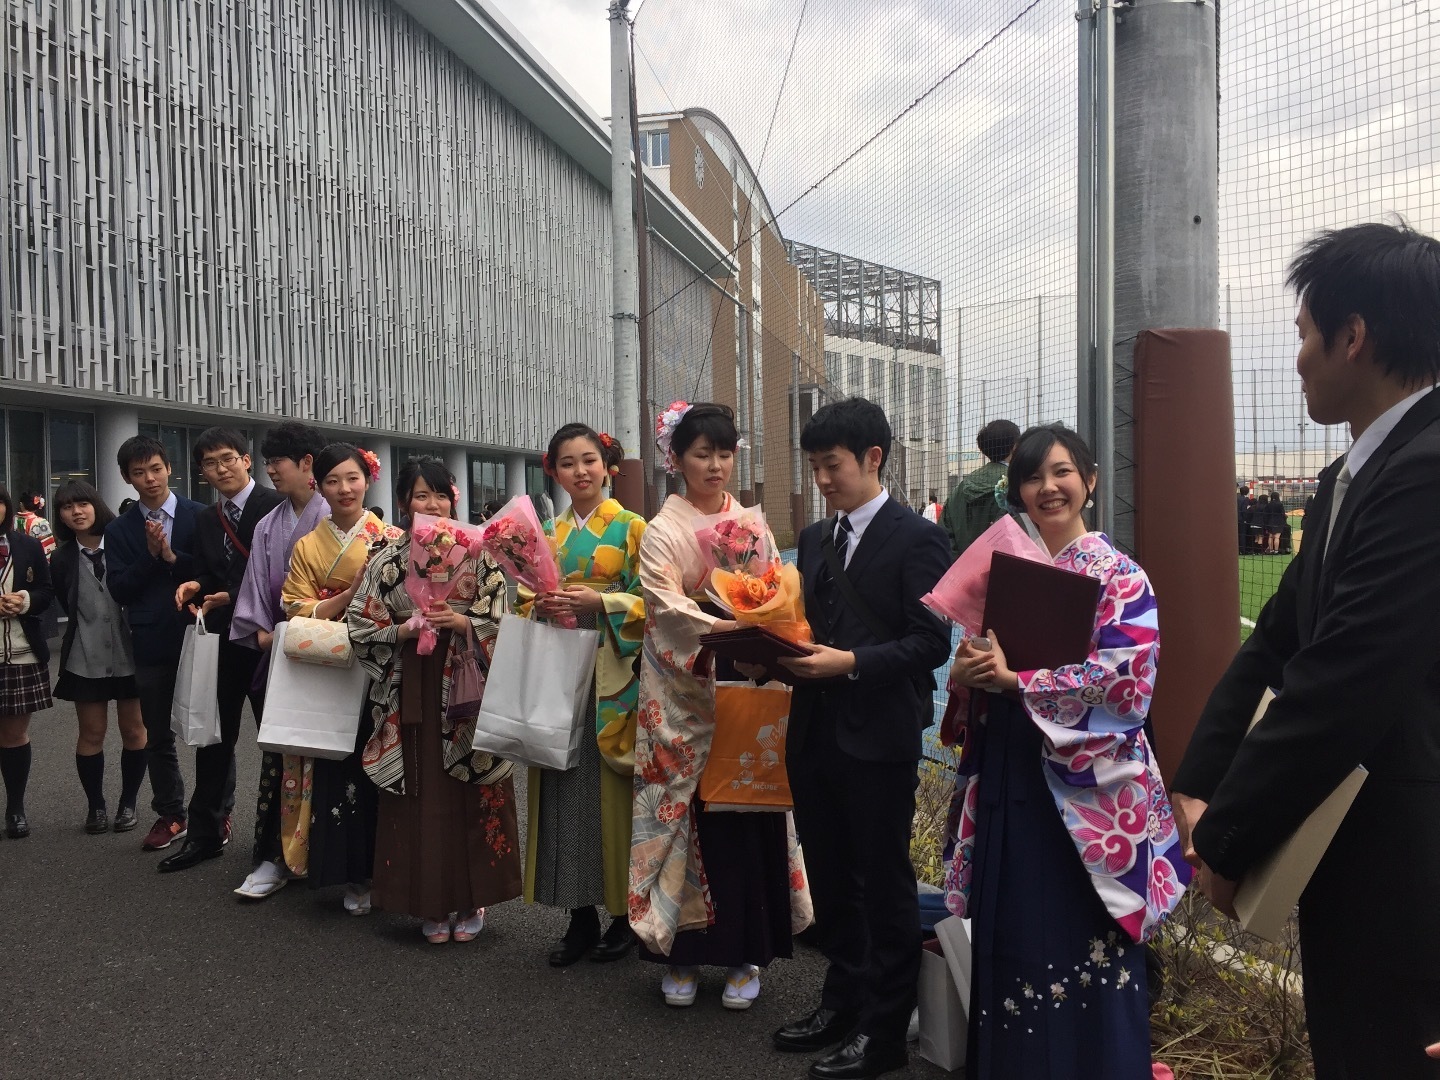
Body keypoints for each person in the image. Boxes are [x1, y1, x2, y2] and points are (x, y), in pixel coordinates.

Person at [1173, 223, 1440, 1080]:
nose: (1296, 358)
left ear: (1352, 337)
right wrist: (1200, 779)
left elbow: (1345, 680)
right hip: (1359, 862)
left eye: (1301, 333)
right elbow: (1281, 643)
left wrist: (1231, 832)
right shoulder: (1348, 478)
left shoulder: (1427, 471)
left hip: (1412, 876)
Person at [945, 424, 1189, 1080]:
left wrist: (1016, 682)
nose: (1046, 487)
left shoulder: (1120, 575)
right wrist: (970, 679)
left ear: (1090, 480)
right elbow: (984, 681)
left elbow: (1126, 682)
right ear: (1016, 491)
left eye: (1061, 472)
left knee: (1084, 943)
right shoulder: (1013, 572)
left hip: (1086, 798)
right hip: (1010, 779)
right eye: (1031, 476)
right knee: (1012, 939)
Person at [771, 398, 952, 1080]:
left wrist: (850, 663)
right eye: (814, 466)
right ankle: (840, 1003)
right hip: (814, 729)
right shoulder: (819, 539)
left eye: (832, 465)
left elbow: (930, 642)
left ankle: (881, 1036)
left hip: (879, 737)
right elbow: (808, 625)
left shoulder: (917, 538)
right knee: (831, 879)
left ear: (873, 458)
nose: (822, 479)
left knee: (884, 883)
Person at [629, 401, 810, 1011]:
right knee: (688, 817)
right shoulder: (662, 530)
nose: (715, 465)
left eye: (725, 453)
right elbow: (664, 607)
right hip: (683, 696)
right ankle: (679, 952)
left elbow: (777, 590)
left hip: (743, 683)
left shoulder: (750, 526)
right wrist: (732, 624)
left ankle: (745, 951)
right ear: (676, 460)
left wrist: (766, 622)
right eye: (702, 453)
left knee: (746, 809)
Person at [348, 457, 522, 943]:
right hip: (413, 683)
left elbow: (501, 617)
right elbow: (360, 623)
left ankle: (473, 897)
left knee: (470, 790)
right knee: (420, 791)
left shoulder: (478, 552)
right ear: (405, 503)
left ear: (453, 497)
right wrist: (404, 628)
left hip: (466, 682)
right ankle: (428, 899)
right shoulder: (388, 555)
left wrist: (464, 623)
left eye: (440, 494)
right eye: (420, 495)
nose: (432, 504)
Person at [518, 424, 645, 965]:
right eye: (567, 463)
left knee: (613, 793)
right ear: (555, 471)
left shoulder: (634, 527)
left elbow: (654, 601)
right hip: (558, 669)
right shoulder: (546, 532)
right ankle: (578, 913)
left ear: (608, 465)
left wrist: (606, 605)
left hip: (612, 673)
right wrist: (536, 607)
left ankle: (623, 915)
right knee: (563, 788)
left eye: (589, 460)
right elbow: (523, 594)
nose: (580, 471)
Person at [252, 444, 400, 910]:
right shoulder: (307, 545)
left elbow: (403, 599)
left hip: (378, 666)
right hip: (326, 659)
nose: (344, 489)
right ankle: (341, 871)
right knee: (329, 763)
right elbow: (294, 606)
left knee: (371, 763)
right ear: (320, 485)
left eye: (353, 478)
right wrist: (350, 596)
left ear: (368, 480)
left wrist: (359, 606)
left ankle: (378, 873)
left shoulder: (391, 536)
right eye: (333, 480)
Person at [159, 429, 284, 872]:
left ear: (247, 460)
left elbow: (280, 575)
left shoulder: (277, 505)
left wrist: (230, 594)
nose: (221, 468)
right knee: (214, 738)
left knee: (279, 740)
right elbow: (210, 572)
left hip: (270, 641)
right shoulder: (207, 519)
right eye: (210, 463)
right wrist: (197, 584)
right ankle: (205, 834)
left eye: (228, 458)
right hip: (225, 641)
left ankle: (282, 841)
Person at [229, 422, 331, 900]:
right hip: (282, 654)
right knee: (283, 757)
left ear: (307, 464)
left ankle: (337, 863)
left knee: (334, 760)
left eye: (278, 462)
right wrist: (266, 634)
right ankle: (274, 855)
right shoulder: (268, 524)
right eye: (267, 462)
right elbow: (253, 592)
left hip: (334, 656)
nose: (270, 470)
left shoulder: (337, 519)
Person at [104, 435, 205, 852]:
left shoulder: (201, 515)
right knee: (158, 734)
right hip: (150, 641)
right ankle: (171, 814)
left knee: (210, 730)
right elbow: (121, 590)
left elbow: (210, 572)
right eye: (139, 472)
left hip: (199, 635)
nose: (150, 479)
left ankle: (217, 810)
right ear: (127, 479)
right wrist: (149, 555)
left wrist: (169, 557)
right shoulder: (119, 529)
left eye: (156, 468)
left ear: (169, 468)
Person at [50, 481, 148, 835]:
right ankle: (96, 806)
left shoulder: (123, 543)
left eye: (83, 503)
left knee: (134, 730)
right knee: (91, 732)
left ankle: (128, 802)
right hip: (84, 654)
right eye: (67, 507)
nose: (76, 511)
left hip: (129, 651)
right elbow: (64, 598)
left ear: (97, 505)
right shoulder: (61, 558)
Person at [0, 485, 55, 839]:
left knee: (15, 735)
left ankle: (15, 807)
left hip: (19, 652)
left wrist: (24, 601)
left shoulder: (26, 544)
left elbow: (47, 591)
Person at [942, 420, 1019, 557]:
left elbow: (944, 533)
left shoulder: (961, 487)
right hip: (1004, 570)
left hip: (963, 571)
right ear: (1014, 446)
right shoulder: (1018, 483)